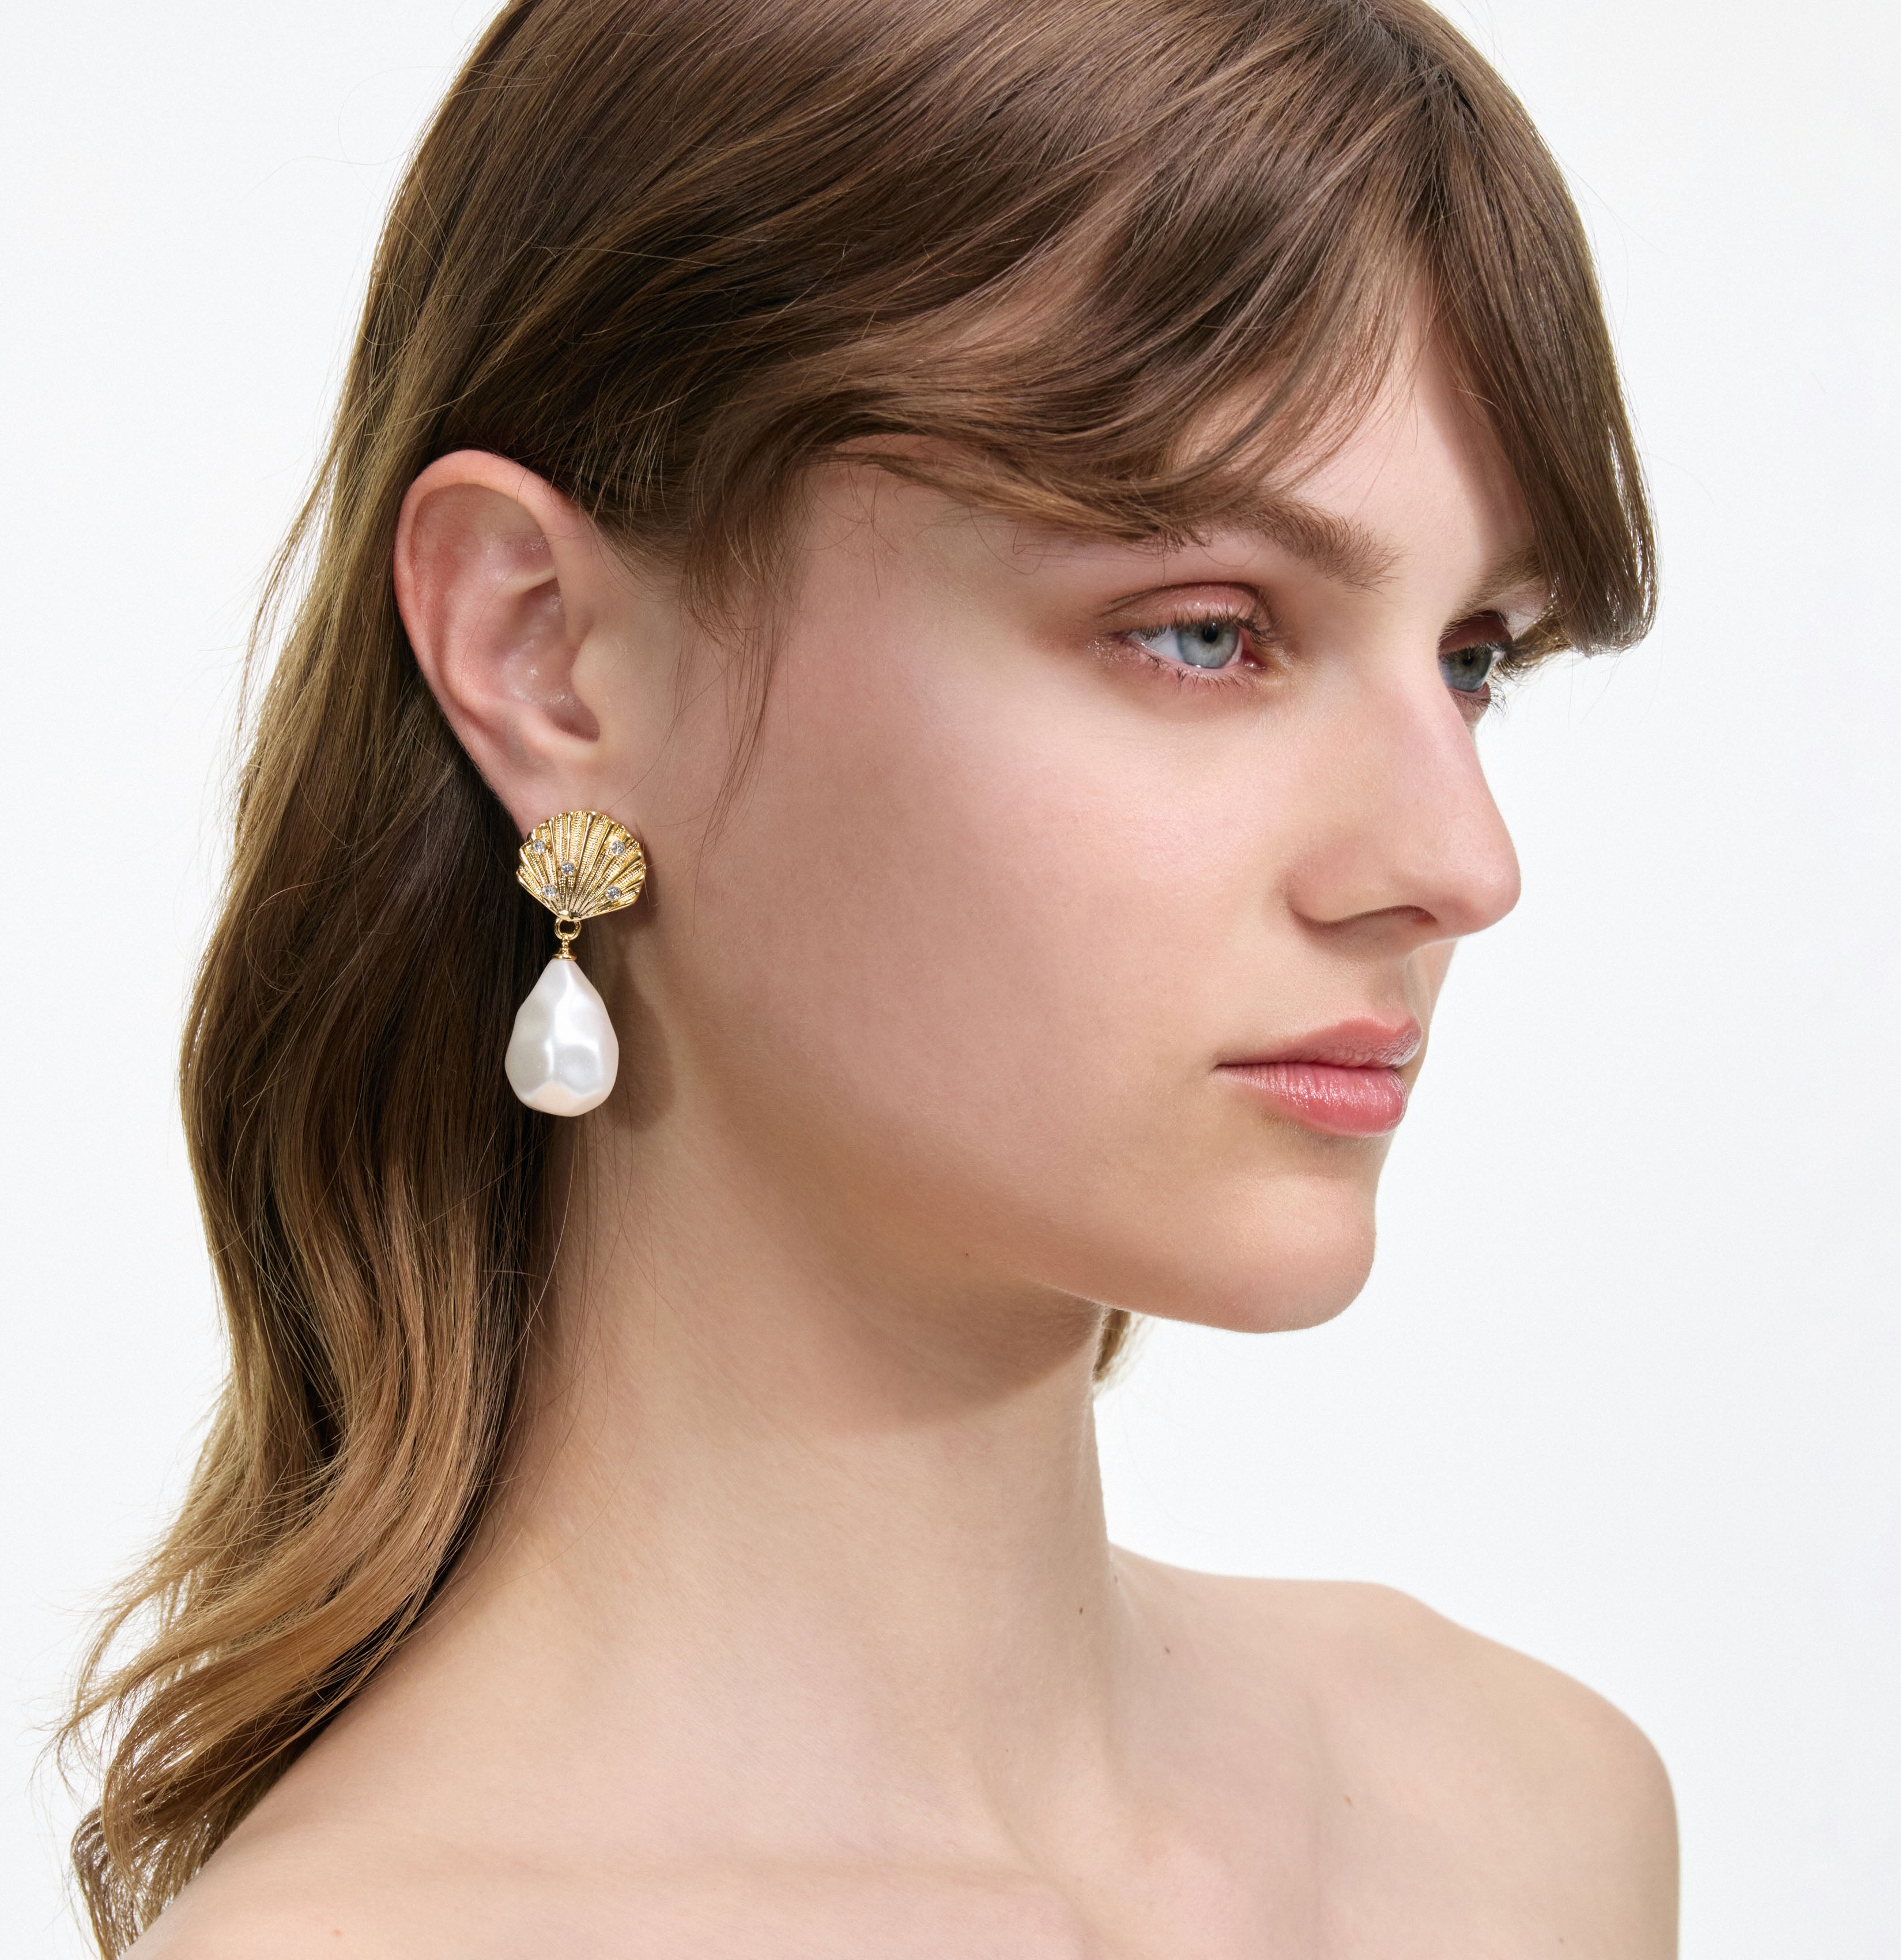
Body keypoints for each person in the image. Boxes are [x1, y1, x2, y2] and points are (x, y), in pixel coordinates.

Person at [63, 0, 1676, 1951]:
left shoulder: (1523, 1827)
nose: (1459, 866)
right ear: (546, 654)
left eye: (1473, 657)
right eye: (1202, 632)